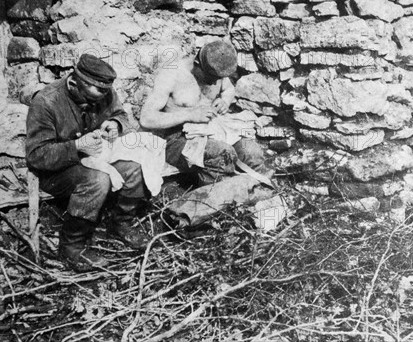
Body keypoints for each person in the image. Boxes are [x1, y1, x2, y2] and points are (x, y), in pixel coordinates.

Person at [26, 54, 150, 272]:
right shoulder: (47, 101)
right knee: (97, 180)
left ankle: (120, 222)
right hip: (57, 171)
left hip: (94, 159)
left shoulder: (103, 91)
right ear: (74, 84)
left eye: (105, 92)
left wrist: (115, 123)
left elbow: (120, 114)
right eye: (95, 95)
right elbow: (37, 155)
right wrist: (76, 146)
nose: (103, 98)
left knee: (134, 167)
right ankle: (72, 246)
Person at [140, 40, 270, 185]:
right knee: (221, 154)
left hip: (213, 130)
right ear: (197, 64)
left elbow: (228, 90)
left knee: (251, 151)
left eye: (218, 79)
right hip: (177, 139)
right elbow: (146, 118)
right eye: (211, 79)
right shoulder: (172, 75)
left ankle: (260, 192)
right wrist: (189, 114)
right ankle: (221, 200)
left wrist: (225, 101)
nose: (215, 83)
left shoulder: (215, 70)